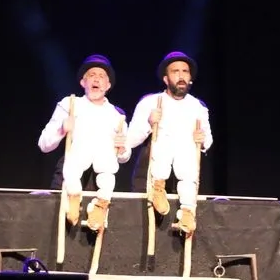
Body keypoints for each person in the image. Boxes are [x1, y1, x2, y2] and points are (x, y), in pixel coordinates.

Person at [38, 54, 130, 230]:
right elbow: (44, 144)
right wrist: (62, 129)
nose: (96, 79)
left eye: (101, 76)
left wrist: (122, 148)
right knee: (61, 229)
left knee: (91, 233)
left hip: (99, 182)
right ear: (83, 82)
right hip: (69, 176)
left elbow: (124, 157)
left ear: (108, 85)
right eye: (91, 75)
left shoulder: (116, 115)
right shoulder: (70, 104)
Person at [125, 51, 212, 233]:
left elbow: (207, 140)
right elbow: (130, 140)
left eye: (185, 71)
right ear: (165, 79)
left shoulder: (198, 107)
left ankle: (186, 214)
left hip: (182, 180)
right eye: (175, 71)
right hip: (150, 177)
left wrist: (202, 140)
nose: (181, 76)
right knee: (144, 229)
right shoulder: (150, 102)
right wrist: (149, 123)